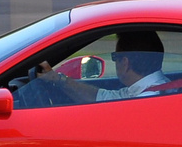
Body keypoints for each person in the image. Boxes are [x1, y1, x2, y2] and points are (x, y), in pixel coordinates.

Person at [19, 31, 168, 106]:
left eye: (114, 56)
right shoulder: (144, 90)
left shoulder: (144, 102)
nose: (114, 62)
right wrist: (58, 79)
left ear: (125, 62)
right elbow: (102, 97)